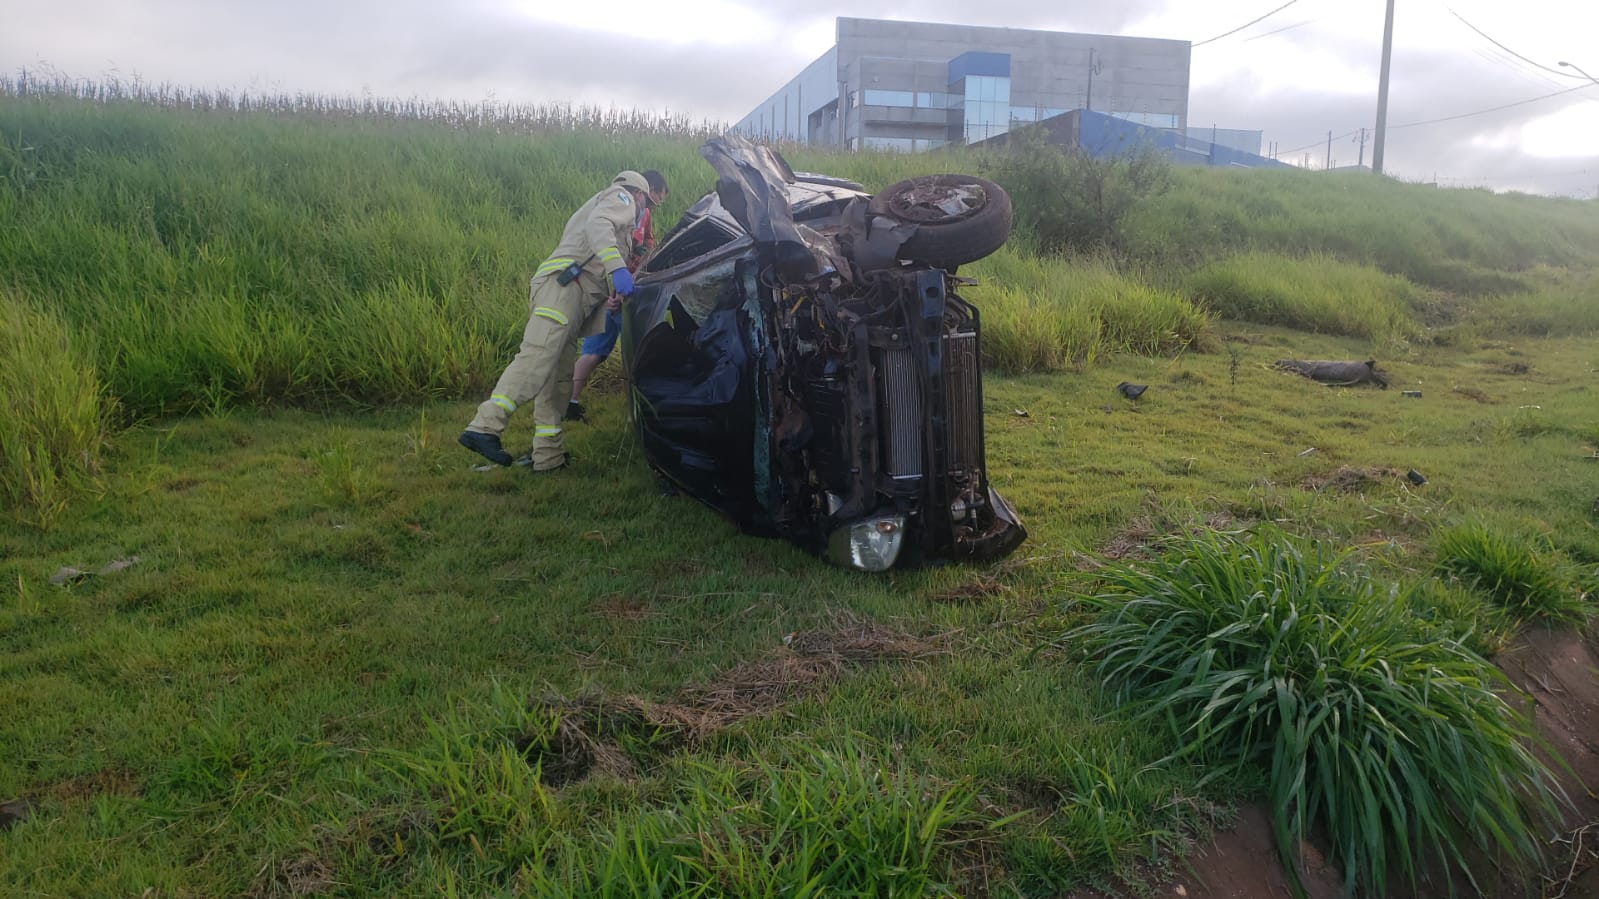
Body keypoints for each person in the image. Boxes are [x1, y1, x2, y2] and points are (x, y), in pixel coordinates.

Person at [458, 170, 652, 471]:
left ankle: (548, 456)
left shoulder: (606, 205)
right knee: (537, 357)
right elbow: (599, 226)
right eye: (647, 202)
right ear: (639, 194)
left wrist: (609, 296)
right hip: (562, 291)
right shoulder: (622, 197)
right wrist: (617, 266)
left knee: (558, 379)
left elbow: (593, 258)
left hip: (574, 297)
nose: (644, 210)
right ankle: (484, 427)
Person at [565, 170, 668, 423]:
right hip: (623, 289)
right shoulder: (635, 210)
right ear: (649, 190)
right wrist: (621, 288)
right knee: (640, 349)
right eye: (659, 196)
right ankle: (646, 408)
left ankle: (568, 402)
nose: (658, 203)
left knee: (595, 352)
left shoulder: (626, 210)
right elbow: (628, 252)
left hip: (606, 285)